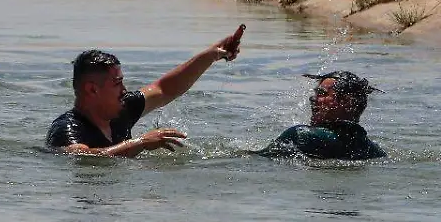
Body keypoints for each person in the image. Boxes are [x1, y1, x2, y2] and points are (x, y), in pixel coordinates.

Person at [47, 25, 246, 157]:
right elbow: (83, 157)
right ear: (92, 89)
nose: (124, 90)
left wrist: (212, 55)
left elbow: (165, 88)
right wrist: (141, 142)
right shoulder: (66, 129)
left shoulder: (121, 109)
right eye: (117, 83)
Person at [257, 71, 386, 160]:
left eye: (322, 94)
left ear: (347, 102)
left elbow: (254, 161)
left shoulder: (301, 136)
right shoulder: (374, 152)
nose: (313, 99)